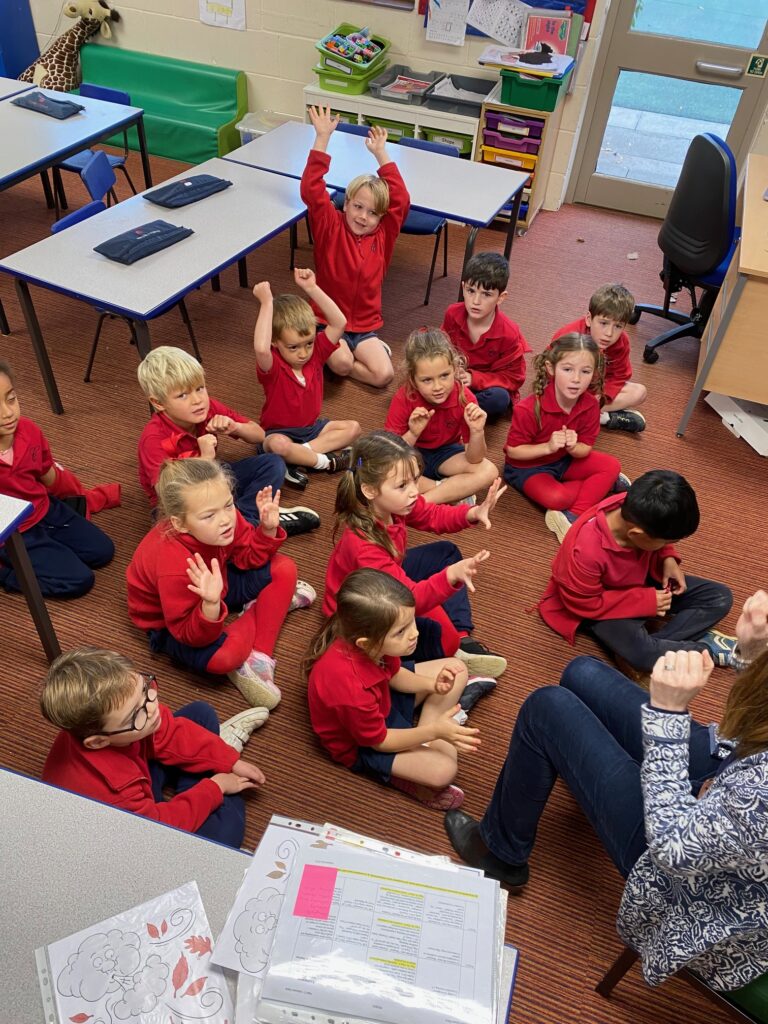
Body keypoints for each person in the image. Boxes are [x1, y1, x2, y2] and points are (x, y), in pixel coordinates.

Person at [444, 588, 768, 993]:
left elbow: (672, 847)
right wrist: (754, 654)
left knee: (547, 707)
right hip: (730, 778)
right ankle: (574, 766)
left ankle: (501, 853)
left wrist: (668, 714)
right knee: (581, 670)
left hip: (688, 882)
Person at [126, 458, 314, 710]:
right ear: (179, 523)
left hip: (217, 582)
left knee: (285, 568)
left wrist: (266, 531)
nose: (226, 519)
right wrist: (211, 604)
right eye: (209, 515)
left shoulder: (227, 519)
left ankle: (260, 657)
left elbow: (247, 557)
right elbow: (188, 633)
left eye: (228, 505)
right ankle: (266, 608)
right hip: (173, 624)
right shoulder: (174, 566)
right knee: (224, 658)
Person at [41, 647, 268, 849]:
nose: (153, 708)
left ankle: (205, 776)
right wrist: (215, 787)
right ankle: (204, 782)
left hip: (136, 771)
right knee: (224, 837)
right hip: (136, 829)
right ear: (98, 741)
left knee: (200, 714)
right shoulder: (115, 794)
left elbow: (169, 731)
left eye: (144, 689)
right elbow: (157, 828)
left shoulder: (120, 726)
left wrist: (229, 760)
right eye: (136, 713)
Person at [324, 429, 507, 678]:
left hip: (389, 579)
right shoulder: (363, 546)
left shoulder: (395, 503)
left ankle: (463, 640)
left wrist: (471, 513)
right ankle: (405, 676)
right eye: (402, 485)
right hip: (365, 610)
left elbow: (432, 515)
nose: (413, 491)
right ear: (369, 490)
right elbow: (410, 598)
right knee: (442, 642)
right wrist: (450, 576)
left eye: (414, 480)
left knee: (446, 553)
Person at [306, 569, 483, 810]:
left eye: (411, 622)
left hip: (382, 701)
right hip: (365, 743)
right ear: (366, 643)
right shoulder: (350, 689)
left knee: (457, 668)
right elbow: (380, 741)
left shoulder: (374, 646)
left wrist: (432, 685)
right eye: (401, 631)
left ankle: (428, 732)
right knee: (444, 771)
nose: (415, 633)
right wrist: (434, 732)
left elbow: (395, 675)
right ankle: (428, 738)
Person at [538, 469, 736, 673]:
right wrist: (646, 601)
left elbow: (659, 541)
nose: (669, 544)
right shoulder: (586, 552)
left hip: (637, 577)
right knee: (642, 654)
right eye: (667, 542)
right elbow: (584, 604)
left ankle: (646, 649)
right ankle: (702, 648)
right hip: (599, 606)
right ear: (637, 534)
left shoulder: (631, 505)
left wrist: (668, 557)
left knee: (719, 597)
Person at [136, 345, 319, 534]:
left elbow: (260, 435)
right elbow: (167, 494)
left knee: (273, 463)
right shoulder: (153, 438)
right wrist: (206, 459)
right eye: (182, 395)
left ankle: (246, 520)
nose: (197, 400)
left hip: (214, 480)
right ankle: (253, 525)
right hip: (182, 503)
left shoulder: (206, 408)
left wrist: (235, 427)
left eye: (200, 388)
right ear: (158, 403)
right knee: (175, 532)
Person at [300, 105, 410, 388]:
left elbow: (401, 200)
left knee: (384, 376)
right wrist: (322, 137)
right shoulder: (330, 224)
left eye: (373, 213)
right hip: (327, 320)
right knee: (342, 363)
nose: (363, 217)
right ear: (346, 203)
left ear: (381, 217)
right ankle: (325, 349)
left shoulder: (383, 235)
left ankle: (320, 355)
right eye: (358, 207)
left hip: (364, 327)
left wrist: (381, 154)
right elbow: (312, 188)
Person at [0, 359, 115, 597]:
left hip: (45, 510)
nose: (8, 412)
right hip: (14, 534)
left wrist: (83, 496)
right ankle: (7, 574)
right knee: (79, 581)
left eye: (11, 398)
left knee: (102, 552)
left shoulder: (29, 430)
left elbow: (50, 475)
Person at [503, 333, 623, 544]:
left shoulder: (590, 405)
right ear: (551, 369)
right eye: (567, 370)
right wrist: (548, 447)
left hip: (564, 460)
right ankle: (596, 490)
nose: (576, 379)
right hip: (526, 468)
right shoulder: (528, 409)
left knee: (612, 465)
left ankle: (572, 516)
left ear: (594, 374)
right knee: (559, 498)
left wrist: (574, 447)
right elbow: (513, 451)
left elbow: (585, 448)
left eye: (585, 372)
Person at [252, 269, 361, 487]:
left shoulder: (317, 354)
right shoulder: (273, 365)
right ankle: (324, 462)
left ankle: (298, 459)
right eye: (293, 347)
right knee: (279, 446)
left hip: (312, 430)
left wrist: (311, 288)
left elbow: (339, 322)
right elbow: (261, 349)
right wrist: (266, 304)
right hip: (278, 433)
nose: (303, 353)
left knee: (354, 428)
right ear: (276, 342)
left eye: (308, 343)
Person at [385, 327, 498, 506]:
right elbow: (390, 453)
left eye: (444, 376)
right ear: (413, 380)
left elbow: (474, 458)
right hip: (410, 455)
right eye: (427, 380)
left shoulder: (466, 397)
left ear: (455, 369)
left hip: (445, 455)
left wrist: (477, 432)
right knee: (377, 469)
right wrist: (413, 433)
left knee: (489, 471)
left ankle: (423, 502)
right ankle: (448, 490)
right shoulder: (403, 397)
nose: (438, 387)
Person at [441, 251, 531, 419]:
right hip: (455, 378)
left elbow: (513, 378)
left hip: (486, 386)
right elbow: (441, 348)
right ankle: (459, 409)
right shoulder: (452, 313)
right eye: (471, 291)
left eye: (486, 294)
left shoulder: (509, 333)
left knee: (499, 399)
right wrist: (450, 369)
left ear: (501, 297)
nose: (475, 301)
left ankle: (450, 409)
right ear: (463, 287)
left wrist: (473, 379)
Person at [552, 283, 647, 433]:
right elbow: (550, 372)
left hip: (594, 391)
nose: (609, 333)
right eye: (603, 323)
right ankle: (603, 417)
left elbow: (620, 375)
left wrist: (603, 396)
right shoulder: (569, 337)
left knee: (639, 392)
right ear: (589, 319)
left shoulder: (621, 342)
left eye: (618, 326)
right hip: (566, 390)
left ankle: (592, 416)